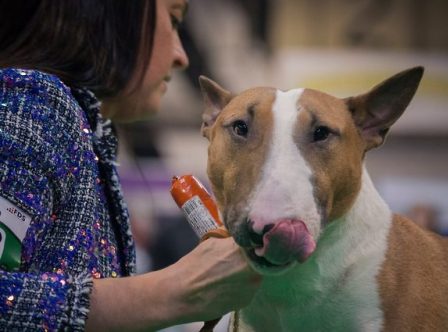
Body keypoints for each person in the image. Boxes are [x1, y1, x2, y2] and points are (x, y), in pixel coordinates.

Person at [0, 0, 261, 331]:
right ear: (111, 13)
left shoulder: (89, 131)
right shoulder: (31, 105)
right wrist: (177, 290)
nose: (181, 56)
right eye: (173, 20)